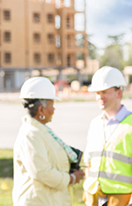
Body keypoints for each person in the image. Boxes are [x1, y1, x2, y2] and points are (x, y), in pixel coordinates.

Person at [13, 77, 85, 206]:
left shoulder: (41, 132)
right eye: (52, 105)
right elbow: (41, 172)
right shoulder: (31, 134)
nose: (54, 109)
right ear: (41, 110)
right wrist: (71, 178)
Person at [83, 66, 132, 206]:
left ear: (119, 93)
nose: (100, 97)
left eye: (104, 92)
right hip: (95, 198)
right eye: (97, 93)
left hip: (122, 199)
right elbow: (89, 162)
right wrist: (88, 186)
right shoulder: (95, 124)